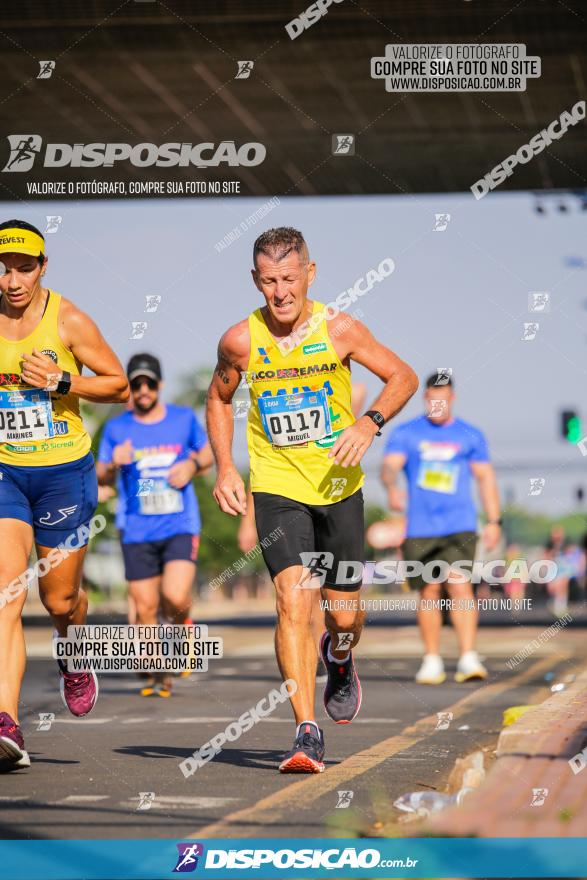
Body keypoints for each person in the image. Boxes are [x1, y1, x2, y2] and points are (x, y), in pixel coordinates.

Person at [207, 227, 417, 773]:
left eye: (290, 279)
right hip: (276, 486)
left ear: (311, 274)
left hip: (338, 487)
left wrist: (370, 423)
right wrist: (227, 466)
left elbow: (403, 376)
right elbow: (218, 398)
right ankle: (305, 729)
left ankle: (340, 658)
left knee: (342, 617)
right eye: (270, 281)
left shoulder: (340, 328)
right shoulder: (239, 341)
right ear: (255, 280)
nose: (280, 292)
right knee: (292, 601)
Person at [0, 219, 129, 770]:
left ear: (42, 268)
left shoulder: (68, 319)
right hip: (6, 473)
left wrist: (61, 382)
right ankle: (7, 725)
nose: (12, 279)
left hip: (63, 474)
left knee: (58, 600)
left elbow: (118, 386)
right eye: (4, 268)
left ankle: (73, 651)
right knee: (6, 597)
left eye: (24, 267)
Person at [96, 353, 213, 697]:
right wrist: (112, 464)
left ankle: (182, 623)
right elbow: (100, 472)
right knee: (144, 607)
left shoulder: (182, 419)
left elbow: (207, 454)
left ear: (160, 385)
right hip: (136, 528)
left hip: (179, 523)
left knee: (174, 597)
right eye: (136, 384)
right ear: (129, 389)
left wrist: (191, 465)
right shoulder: (117, 428)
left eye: (149, 383)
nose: (143, 389)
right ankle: (159, 671)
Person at [237, 383, 369, 681]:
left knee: (340, 613)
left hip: (336, 499)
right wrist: (248, 520)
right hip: (287, 500)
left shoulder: (352, 388)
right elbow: (265, 464)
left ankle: (336, 650)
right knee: (297, 595)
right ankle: (311, 669)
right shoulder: (274, 390)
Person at [381, 372, 501, 685]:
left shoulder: (469, 435)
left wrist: (493, 519)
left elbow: (485, 477)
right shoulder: (406, 433)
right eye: (433, 399)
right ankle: (432, 659)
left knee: (459, 585)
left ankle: (467, 657)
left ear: (452, 399)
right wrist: (392, 487)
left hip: (459, 524)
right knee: (430, 590)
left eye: (444, 399)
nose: (438, 405)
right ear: (425, 399)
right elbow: (390, 467)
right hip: (420, 527)